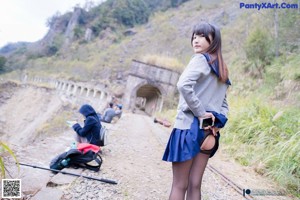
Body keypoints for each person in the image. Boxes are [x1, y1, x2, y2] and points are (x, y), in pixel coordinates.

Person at [162, 22, 231, 200]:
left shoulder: (201, 59)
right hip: (209, 134)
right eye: (194, 36)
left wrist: (200, 112)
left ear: (213, 39)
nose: (195, 40)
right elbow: (224, 104)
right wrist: (217, 123)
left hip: (188, 130)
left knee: (179, 185)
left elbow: (183, 85)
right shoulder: (222, 68)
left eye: (201, 36)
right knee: (195, 185)